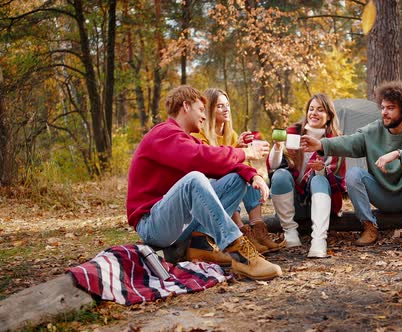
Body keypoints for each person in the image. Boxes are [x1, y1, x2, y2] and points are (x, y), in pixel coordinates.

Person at [126, 85, 282, 280]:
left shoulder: (186, 139)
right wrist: (245, 152)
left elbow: (218, 161)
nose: (204, 116)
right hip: (152, 225)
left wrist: (252, 175)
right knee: (194, 180)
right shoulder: (163, 133)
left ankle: (199, 245)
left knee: (236, 179)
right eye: (201, 110)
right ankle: (240, 254)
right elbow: (199, 159)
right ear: (186, 106)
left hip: (177, 225)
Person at [301, 81, 402, 245]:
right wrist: (321, 144)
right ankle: (369, 225)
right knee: (354, 174)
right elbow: (349, 142)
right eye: (382, 108)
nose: (384, 112)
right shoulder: (373, 130)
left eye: (390, 108)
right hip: (381, 195)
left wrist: (397, 154)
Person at [194, 88, 283, 254]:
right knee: (237, 176)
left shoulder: (231, 133)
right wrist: (236, 150)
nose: (226, 109)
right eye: (220, 106)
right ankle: (240, 232)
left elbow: (235, 160)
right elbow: (213, 164)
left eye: (227, 105)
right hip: (209, 186)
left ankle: (257, 228)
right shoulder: (199, 134)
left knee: (249, 171)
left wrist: (240, 148)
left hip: (225, 180)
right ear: (209, 109)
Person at [268, 93, 346, 258]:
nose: (314, 113)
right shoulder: (293, 133)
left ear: (329, 115)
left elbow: (337, 180)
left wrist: (321, 170)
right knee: (280, 174)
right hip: (293, 204)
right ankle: (290, 232)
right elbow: (274, 166)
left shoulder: (334, 141)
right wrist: (277, 148)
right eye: (311, 109)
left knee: (319, 178)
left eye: (320, 110)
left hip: (319, 207)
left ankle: (318, 241)